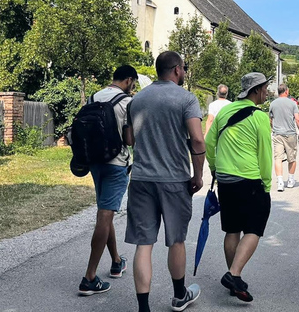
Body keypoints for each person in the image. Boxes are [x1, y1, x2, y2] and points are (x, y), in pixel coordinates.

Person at [125, 51, 206, 312]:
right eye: (183, 68)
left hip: (141, 179)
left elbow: (130, 139)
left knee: (144, 244)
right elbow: (197, 140)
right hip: (174, 180)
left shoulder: (136, 100)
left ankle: (144, 308)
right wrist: (198, 174)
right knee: (177, 240)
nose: (184, 72)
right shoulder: (186, 99)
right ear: (177, 70)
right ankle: (179, 295)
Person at [205, 72, 273, 302]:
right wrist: (267, 183)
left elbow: (209, 142)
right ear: (255, 90)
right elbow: (264, 153)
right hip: (250, 179)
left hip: (225, 179)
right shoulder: (260, 117)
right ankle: (234, 274)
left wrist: (215, 168)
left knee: (232, 229)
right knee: (254, 228)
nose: (266, 92)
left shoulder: (224, 111)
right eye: (264, 88)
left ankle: (234, 279)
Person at [78, 65, 137, 296]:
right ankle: (90, 277)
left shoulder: (94, 96)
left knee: (105, 211)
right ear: (129, 80)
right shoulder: (127, 102)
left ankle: (115, 261)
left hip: (94, 162)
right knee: (105, 215)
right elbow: (129, 140)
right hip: (116, 164)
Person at [269, 83, 299, 192]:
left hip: (277, 134)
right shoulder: (292, 103)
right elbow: (297, 119)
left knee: (278, 158)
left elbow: (270, 119)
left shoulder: (272, 104)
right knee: (291, 158)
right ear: (286, 91)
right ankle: (290, 180)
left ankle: (279, 182)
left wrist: (273, 128)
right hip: (290, 134)